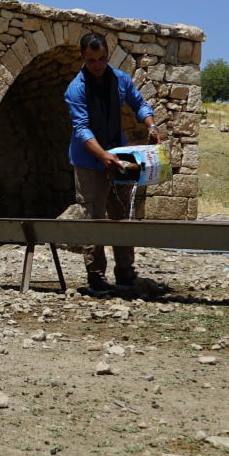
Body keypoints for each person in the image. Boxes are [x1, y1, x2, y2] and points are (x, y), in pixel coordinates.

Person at [64, 32, 162, 293]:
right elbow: (82, 129)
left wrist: (150, 125)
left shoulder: (121, 80)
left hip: (119, 157)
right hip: (89, 161)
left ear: (108, 55)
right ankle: (95, 276)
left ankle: (126, 274)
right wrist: (102, 155)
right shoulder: (76, 89)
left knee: (122, 215)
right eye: (92, 60)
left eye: (102, 59)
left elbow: (139, 104)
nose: (97, 65)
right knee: (92, 217)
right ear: (83, 59)